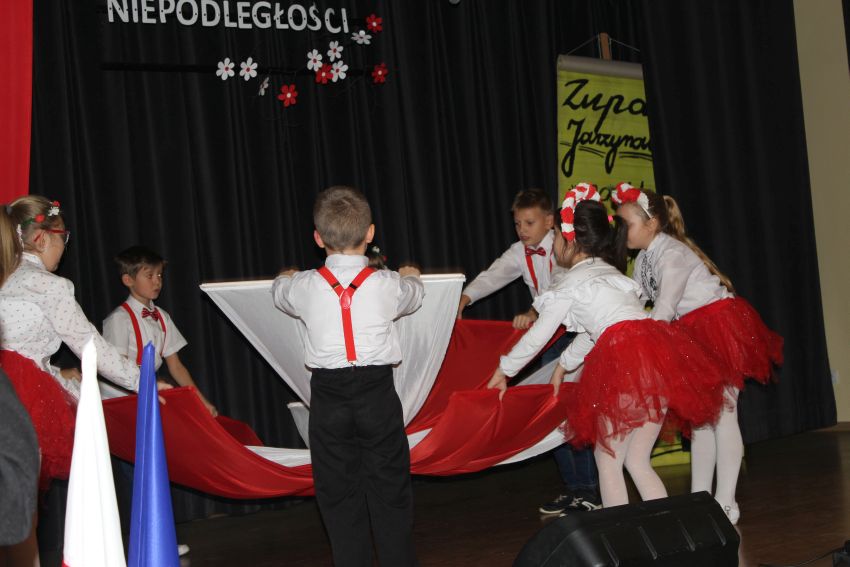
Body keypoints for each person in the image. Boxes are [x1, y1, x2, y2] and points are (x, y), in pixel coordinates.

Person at [487, 186, 725, 508]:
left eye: (555, 235)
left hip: (625, 366)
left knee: (608, 459)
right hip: (656, 364)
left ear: (569, 241)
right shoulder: (614, 276)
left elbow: (538, 335)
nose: (553, 243)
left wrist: (505, 369)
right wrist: (564, 364)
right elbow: (594, 332)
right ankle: (665, 527)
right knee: (637, 460)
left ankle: (621, 530)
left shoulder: (570, 284)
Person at [613, 182, 783, 524]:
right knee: (702, 420)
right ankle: (701, 499)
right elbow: (636, 300)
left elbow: (664, 308)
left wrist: (638, 341)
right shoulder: (644, 258)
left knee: (724, 415)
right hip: (689, 333)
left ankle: (726, 501)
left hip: (717, 327)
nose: (621, 231)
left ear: (651, 224)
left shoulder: (672, 254)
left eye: (625, 224)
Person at [272, 186, 424, 567]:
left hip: (329, 398)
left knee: (339, 500)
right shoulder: (387, 284)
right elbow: (414, 294)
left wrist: (286, 276)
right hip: (377, 394)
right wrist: (411, 275)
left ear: (318, 238)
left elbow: (279, 293)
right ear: (370, 233)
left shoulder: (304, 286)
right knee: (391, 494)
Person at [456, 187, 600, 514]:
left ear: (550, 222)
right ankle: (573, 488)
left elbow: (559, 286)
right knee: (549, 414)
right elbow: (494, 274)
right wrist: (464, 298)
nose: (522, 230)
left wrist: (534, 312)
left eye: (529, 223)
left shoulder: (565, 246)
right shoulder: (520, 251)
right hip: (547, 339)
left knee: (571, 411)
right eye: (517, 223)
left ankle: (590, 490)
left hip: (574, 336)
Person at [0, 196, 154, 489]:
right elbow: (89, 346)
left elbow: (15, 349)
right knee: (21, 500)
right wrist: (143, 380)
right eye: (64, 237)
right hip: (20, 400)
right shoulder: (51, 286)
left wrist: (57, 373)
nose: (65, 246)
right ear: (43, 239)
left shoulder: (5, 278)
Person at [103, 245, 217, 416]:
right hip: (121, 397)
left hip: (149, 392)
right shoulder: (119, 319)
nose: (157, 281)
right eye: (150, 276)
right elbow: (116, 368)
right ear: (128, 280)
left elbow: (176, 366)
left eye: (159, 275)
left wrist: (202, 401)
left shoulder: (163, 317)